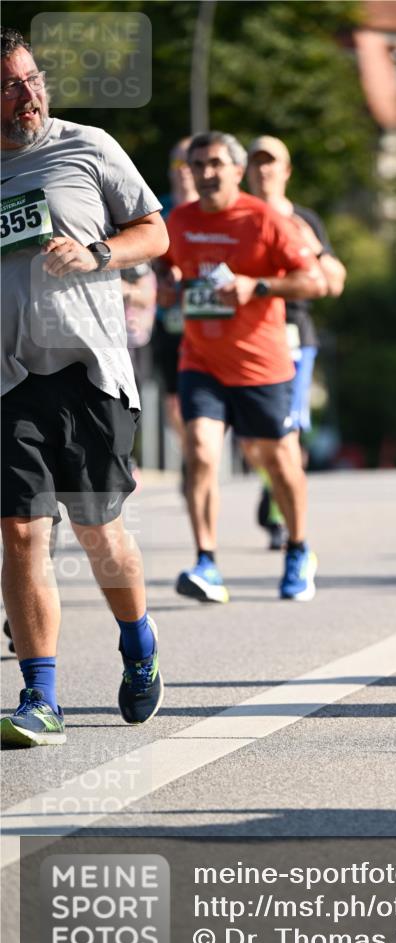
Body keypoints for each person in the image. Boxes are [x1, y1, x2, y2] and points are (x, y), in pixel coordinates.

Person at [0, 27, 168, 747]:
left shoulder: (88, 146)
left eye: (33, 79)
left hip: (89, 371)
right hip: (9, 378)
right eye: (11, 85)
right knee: (19, 531)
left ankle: (138, 643)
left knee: (100, 532)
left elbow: (154, 233)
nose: (29, 94)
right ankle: (41, 695)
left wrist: (98, 252)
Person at [157, 131, 325, 603]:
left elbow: (312, 281)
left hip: (260, 364)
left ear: (236, 169)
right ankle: (206, 562)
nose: (205, 174)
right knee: (202, 452)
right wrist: (167, 283)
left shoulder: (265, 218)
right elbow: (167, 265)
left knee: (278, 459)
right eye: (196, 165)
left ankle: (298, 548)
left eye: (214, 164)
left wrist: (260, 287)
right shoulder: (181, 219)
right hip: (202, 358)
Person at [245, 135, 346, 549]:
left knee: (286, 431)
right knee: (253, 441)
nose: (264, 170)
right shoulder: (239, 217)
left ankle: (281, 516)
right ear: (246, 172)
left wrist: (310, 252)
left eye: (272, 163)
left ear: (286, 171)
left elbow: (334, 281)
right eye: (257, 163)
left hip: (292, 338)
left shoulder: (304, 220)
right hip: (245, 336)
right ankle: (274, 490)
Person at [152, 137, 198, 467]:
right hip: (168, 315)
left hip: (210, 318)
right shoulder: (158, 208)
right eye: (176, 165)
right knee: (173, 399)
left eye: (188, 164)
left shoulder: (214, 211)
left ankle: (201, 453)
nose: (182, 172)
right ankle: (192, 456)